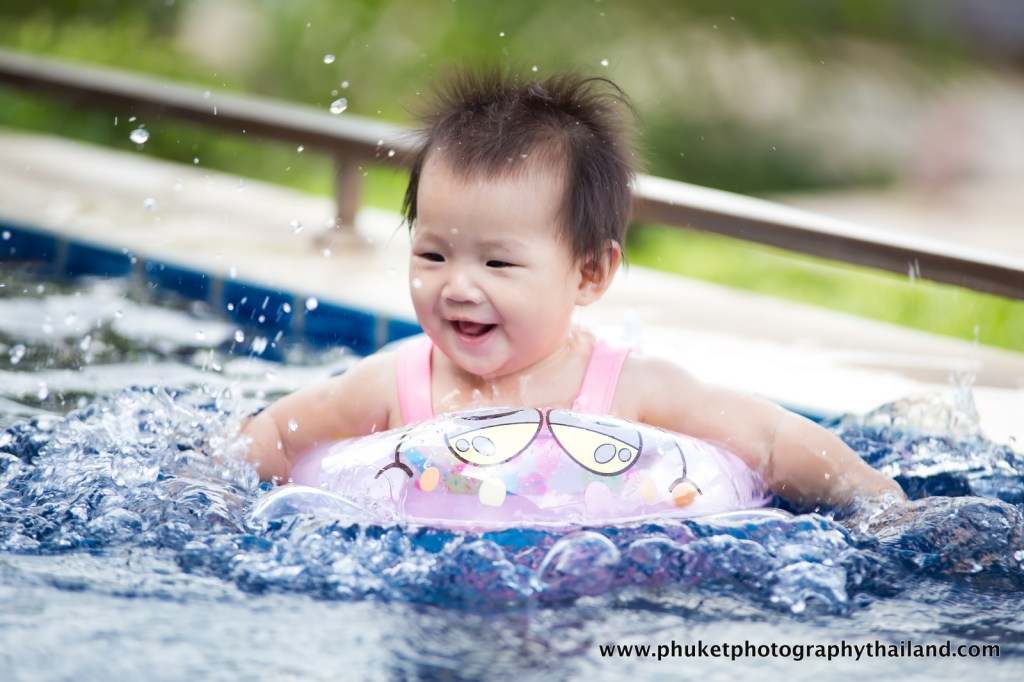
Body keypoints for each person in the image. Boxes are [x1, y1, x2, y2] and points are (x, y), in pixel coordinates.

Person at [241, 66, 905, 513]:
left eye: (498, 265)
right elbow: (274, 435)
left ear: (589, 273)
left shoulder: (633, 390)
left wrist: (881, 505)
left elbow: (768, 440)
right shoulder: (392, 385)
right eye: (433, 254)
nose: (458, 286)